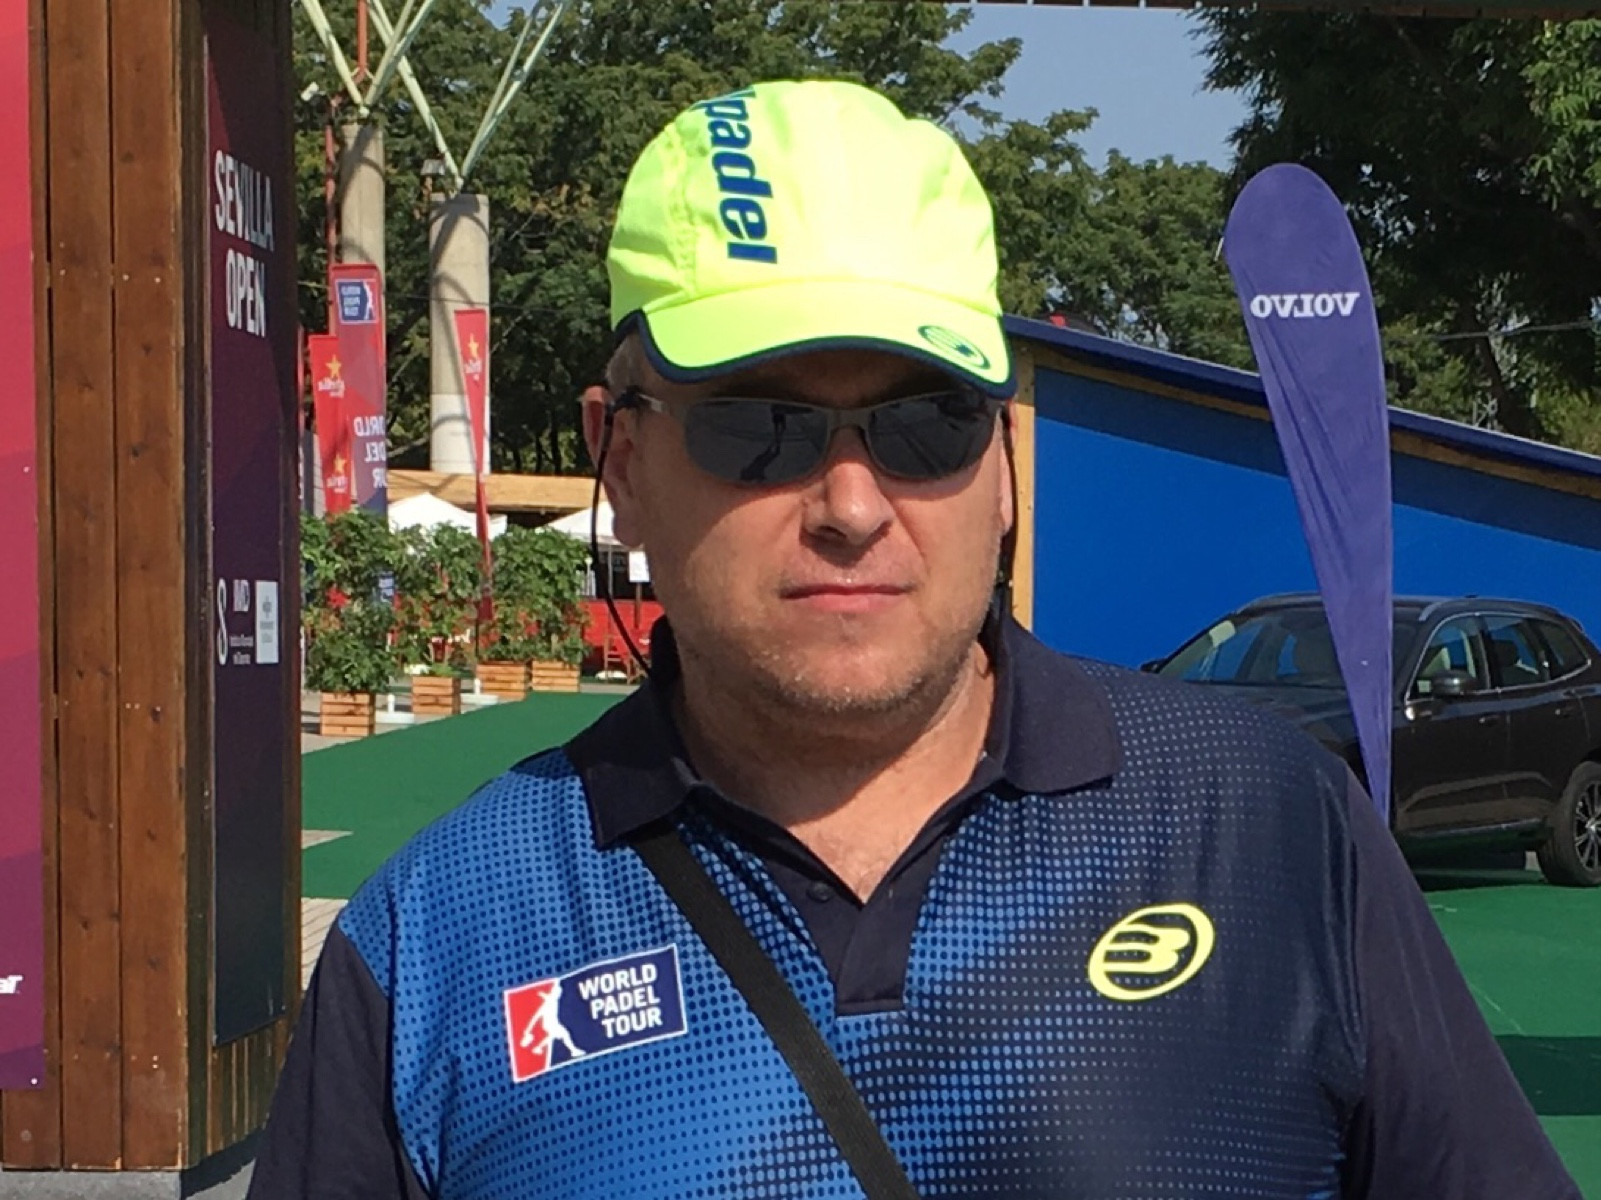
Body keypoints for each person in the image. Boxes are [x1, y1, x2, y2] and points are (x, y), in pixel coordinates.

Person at [247, 79, 1580, 1200]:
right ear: (624, 459)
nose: (849, 503)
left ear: (1001, 462)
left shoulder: (1270, 827)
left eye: (924, 423)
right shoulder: (439, 937)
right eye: (757, 424)